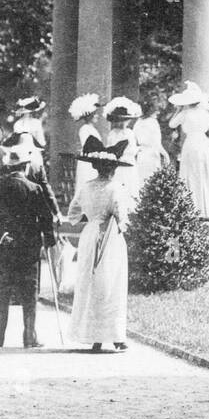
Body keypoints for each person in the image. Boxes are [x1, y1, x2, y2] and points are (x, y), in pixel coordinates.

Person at [0, 140, 55, 348]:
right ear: (25, 166)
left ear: (10, 166)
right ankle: (29, 337)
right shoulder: (34, 189)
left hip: (5, 247)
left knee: (2, 291)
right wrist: (48, 238)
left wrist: (1, 235)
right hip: (28, 248)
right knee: (30, 293)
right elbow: (45, 216)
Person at [67, 136, 132, 353]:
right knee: (110, 284)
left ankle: (94, 336)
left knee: (90, 283)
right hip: (109, 237)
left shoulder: (86, 187)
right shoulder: (116, 188)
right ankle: (114, 337)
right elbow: (122, 216)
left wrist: (91, 218)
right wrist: (121, 226)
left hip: (89, 235)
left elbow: (73, 214)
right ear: (113, 168)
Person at [168, 81, 209, 220]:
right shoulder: (206, 114)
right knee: (205, 173)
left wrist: (178, 110)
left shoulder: (185, 113)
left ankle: (191, 208)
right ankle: (207, 209)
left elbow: (171, 124)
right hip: (203, 144)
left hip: (191, 143)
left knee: (191, 173)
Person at [104, 97, 142, 203]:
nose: (124, 123)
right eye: (122, 120)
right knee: (124, 186)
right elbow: (132, 150)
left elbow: (109, 148)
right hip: (124, 163)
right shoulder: (128, 133)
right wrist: (138, 149)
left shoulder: (113, 133)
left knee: (125, 186)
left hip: (121, 163)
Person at [69, 94, 102, 191]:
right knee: (87, 183)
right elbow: (88, 145)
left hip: (93, 159)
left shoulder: (92, 129)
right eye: (95, 114)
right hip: (88, 161)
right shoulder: (84, 129)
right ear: (89, 115)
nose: (97, 116)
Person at [134, 98, 169, 186]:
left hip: (141, 154)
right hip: (152, 154)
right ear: (151, 110)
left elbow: (134, 139)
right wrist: (165, 154)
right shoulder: (153, 122)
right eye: (156, 110)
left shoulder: (138, 122)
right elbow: (157, 143)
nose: (158, 113)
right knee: (152, 182)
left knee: (141, 181)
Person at [12, 97, 46, 173]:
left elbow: (15, 143)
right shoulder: (37, 123)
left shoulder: (17, 124)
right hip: (34, 156)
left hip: (21, 157)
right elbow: (42, 142)